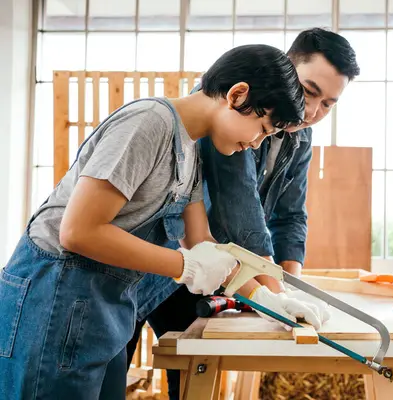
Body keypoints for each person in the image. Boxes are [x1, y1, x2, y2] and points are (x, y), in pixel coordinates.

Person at [0, 44, 308, 399]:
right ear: (237, 95)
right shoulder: (148, 123)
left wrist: (266, 298)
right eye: (263, 128)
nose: (256, 144)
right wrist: (185, 266)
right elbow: (78, 231)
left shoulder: (190, 148)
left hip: (106, 310)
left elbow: (200, 243)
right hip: (55, 296)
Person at [127, 28, 360, 399]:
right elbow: (240, 207)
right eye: (309, 91)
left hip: (204, 262)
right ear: (285, 70)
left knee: (190, 378)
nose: (312, 112)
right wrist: (273, 294)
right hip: (152, 259)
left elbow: (289, 215)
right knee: (108, 365)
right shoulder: (214, 117)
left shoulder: (297, 136)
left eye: (328, 104)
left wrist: (289, 289)